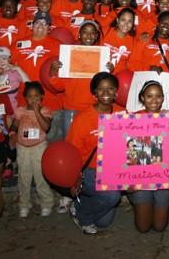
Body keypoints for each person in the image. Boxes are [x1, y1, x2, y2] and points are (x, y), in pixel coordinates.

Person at [68, 73, 125, 235]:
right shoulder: (83, 118)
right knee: (112, 197)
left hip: (114, 170)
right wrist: (75, 177)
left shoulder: (123, 113)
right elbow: (72, 152)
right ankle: (83, 218)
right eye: (101, 89)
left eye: (110, 89)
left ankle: (80, 205)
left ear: (116, 92)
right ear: (94, 93)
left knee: (103, 222)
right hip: (89, 171)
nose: (106, 93)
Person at [129, 80, 169, 232]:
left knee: (160, 227)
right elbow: (123, 153)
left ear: (163, 98)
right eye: (149, 96)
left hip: (165, 177)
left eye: (158, 96)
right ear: (142, 98)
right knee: (143, 228)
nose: (154, 100)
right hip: (139, 179)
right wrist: (124, 181)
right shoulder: (130, 120)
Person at [13, 82, 53, 218]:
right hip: (22, 148)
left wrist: (36, 111)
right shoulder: (20, 111)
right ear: (25, 97)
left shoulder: (45, 111)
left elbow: (46, 127)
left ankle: (46, 203)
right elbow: (14, 126)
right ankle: (24, 204)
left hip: (39, 147)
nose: (33, 99)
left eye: (36, 96)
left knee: (41, 176)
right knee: (24, 178)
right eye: (30, 96)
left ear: (42, 96)